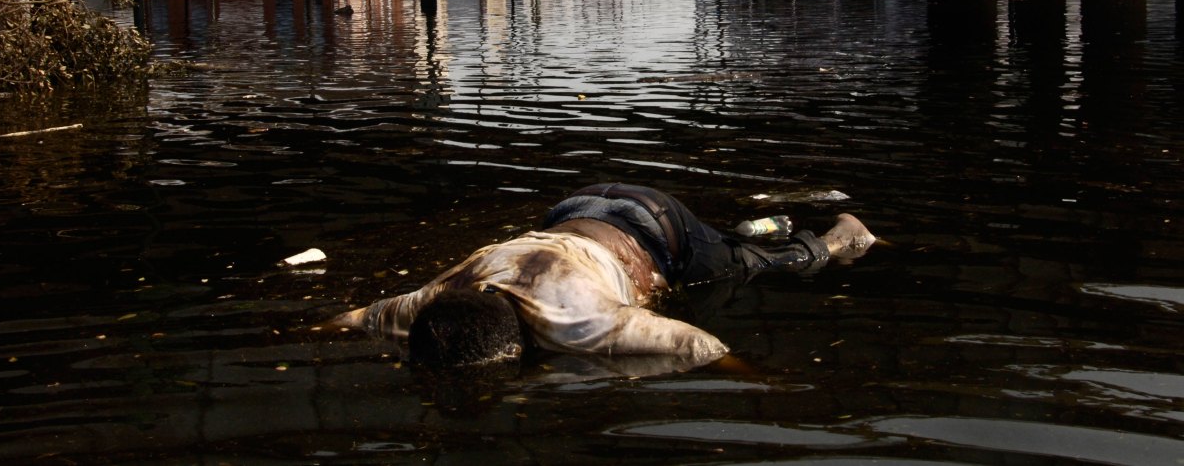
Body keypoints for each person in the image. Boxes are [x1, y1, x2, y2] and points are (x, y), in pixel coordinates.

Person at [331, 183, 875, 371]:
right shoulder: (441, 297)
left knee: (758, 265)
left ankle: (840, 235)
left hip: (662, 229)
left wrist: (758, 377)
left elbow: (701, 345)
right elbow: (358, 315)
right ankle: (742, 232)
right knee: (731, 246)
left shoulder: (577, 323)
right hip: (575, 210)